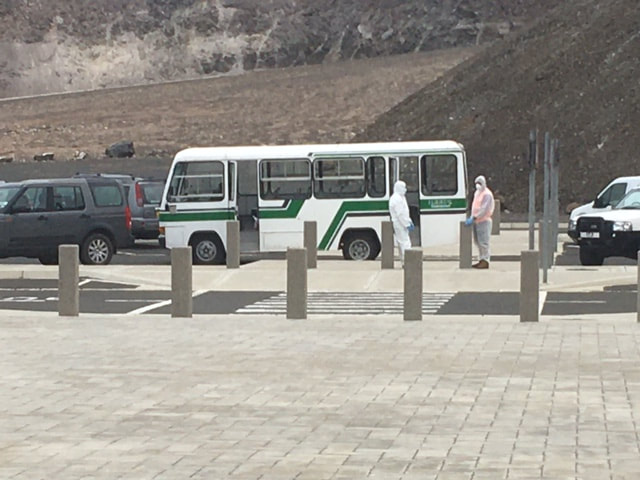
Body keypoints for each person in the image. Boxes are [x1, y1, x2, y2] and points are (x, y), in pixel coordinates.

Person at [465, 175, 495, 269]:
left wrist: (474, 217)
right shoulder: (477, 193)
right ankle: (481, 259)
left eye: (480, 183)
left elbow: (484, 209)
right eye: (477, 183)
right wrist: (472, 217)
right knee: (477, 241)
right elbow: (475, 206)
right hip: (476, 221)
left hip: (484, 221)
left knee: (484, 242)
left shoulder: (487, 194)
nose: (478, 185)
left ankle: (485, 260)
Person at [389, 180, 414, 264]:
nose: (405, 189)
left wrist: (409, 221)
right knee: (405, 243)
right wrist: (407, 224)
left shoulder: (400, 197)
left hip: (402, 223)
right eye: (404, 187)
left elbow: (405, 212)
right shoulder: (396, 199)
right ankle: (408, 262)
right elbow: (400, 214)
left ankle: (404, 261)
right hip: (400, 224)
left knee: (402, 243)